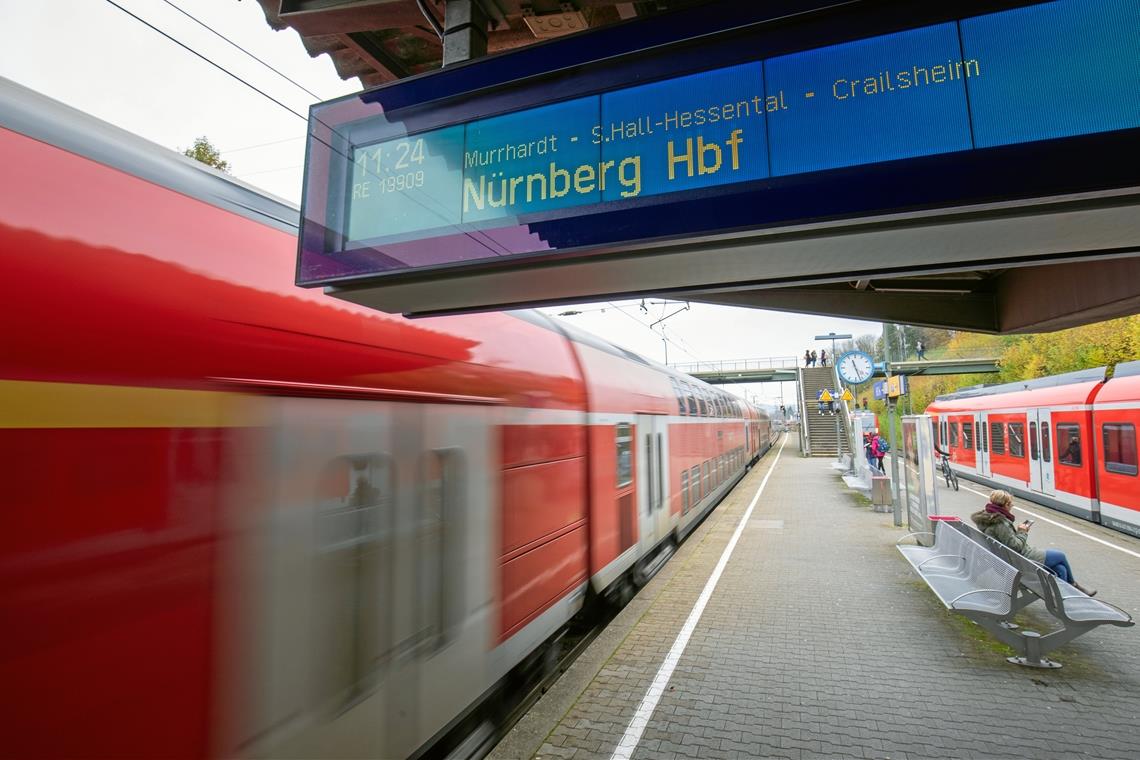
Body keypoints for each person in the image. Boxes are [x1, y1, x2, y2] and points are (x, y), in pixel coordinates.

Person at [971, 490, 1096, 596]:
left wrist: (1018, 532)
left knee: (1060, 569)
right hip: (1020, 559)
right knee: (1060, 556)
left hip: (1010, 558)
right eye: (1011, 504)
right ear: (1006, 505)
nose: (1012, 506)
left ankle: (1064, 598)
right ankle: (1074, 586)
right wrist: (1023, 532)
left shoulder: (990, 517)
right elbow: (1015, 546)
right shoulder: (1000, 523)